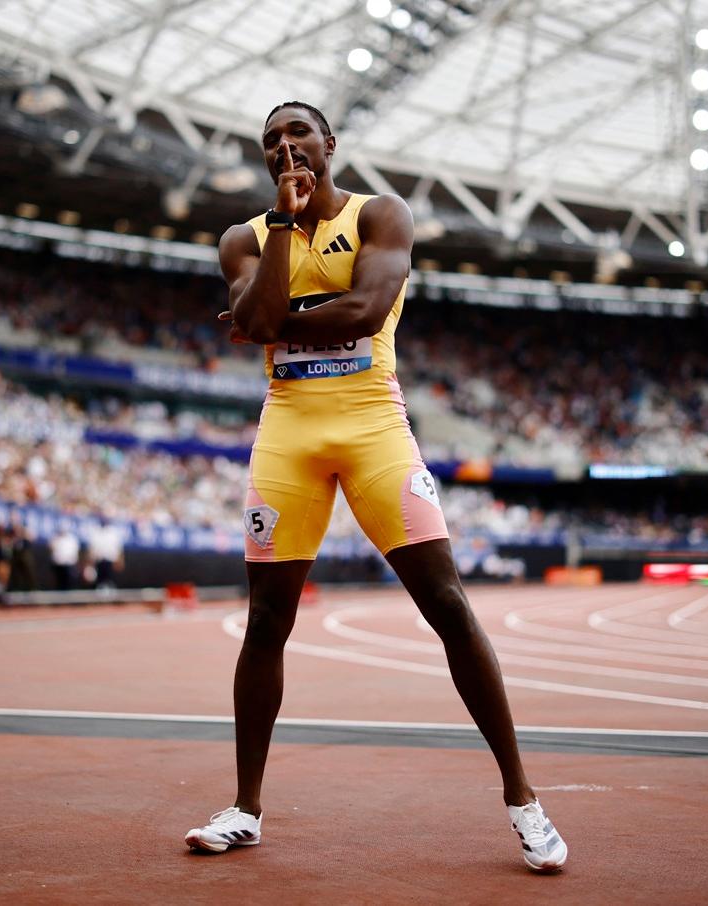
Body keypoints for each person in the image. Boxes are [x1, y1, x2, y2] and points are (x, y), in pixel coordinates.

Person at [184, 102, 567, 873]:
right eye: (270, 141)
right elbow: (264, 323)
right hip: (287, 435)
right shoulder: (245, 238)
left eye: (298, 133)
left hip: (373, 428)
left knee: (449, 604)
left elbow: (364, 308)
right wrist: (286, 246)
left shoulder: (380, 214)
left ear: (330, 144)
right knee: (266, 621)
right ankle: (245, 807)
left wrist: (273, 316)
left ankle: (523, 800)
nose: (284, 146)